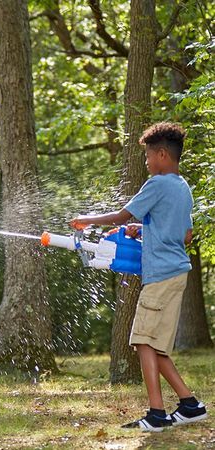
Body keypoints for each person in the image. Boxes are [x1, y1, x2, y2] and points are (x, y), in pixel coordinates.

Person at [70, 122, 207, 432]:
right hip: (177, 273)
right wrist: (146, 230)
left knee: (142, 342)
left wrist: (85, 220)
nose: (146, 162)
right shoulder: (182, 187)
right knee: (156, 347)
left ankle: (156, 414)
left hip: (159, 275)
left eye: (147, 156)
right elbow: (184, 235)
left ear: (162, 154)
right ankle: (189, 405)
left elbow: (122, 216)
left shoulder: (157, 184)